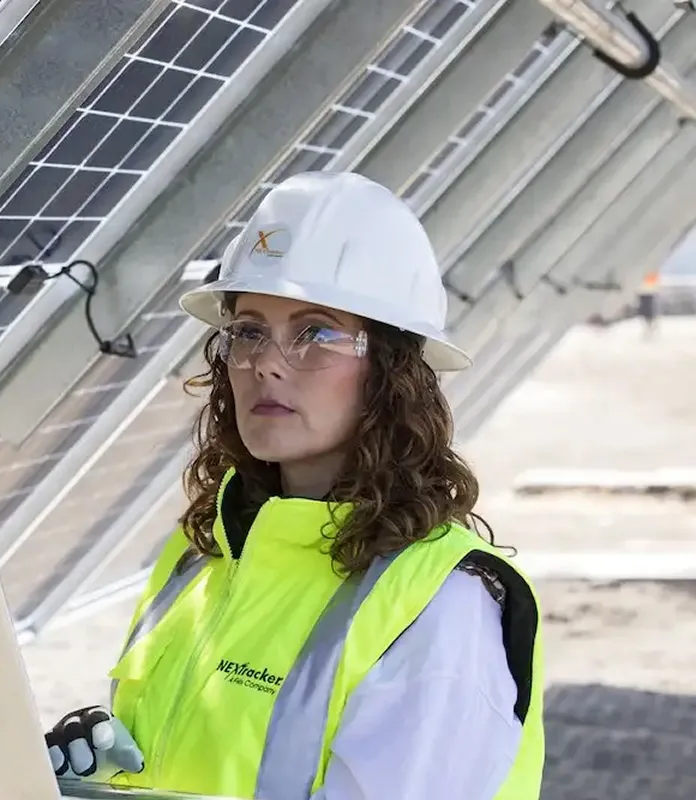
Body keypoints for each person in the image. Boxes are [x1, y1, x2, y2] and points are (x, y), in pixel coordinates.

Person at [43, 172, 544, 800]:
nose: (267, 362)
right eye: (249, 330)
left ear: (392, 371)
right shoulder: (202, 555)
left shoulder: (438, 606)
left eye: (316, 332)